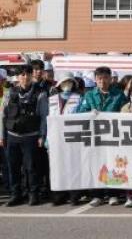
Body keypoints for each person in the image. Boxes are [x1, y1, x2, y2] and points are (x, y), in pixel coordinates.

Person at [77, 66, 128, 207]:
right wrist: (89, 113)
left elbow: (125, 112)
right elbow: (80, 112)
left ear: (111, 79)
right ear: (95, 80)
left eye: (105, 78)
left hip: (113, 135)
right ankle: (97, 195)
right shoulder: (89, 95)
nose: (102, 81)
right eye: (99, 79)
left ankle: (113, 194)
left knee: (113, 164)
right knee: (96, 165)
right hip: (95, 136)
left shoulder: (119, 95)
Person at [1, 64, 48, 206]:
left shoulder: (40, 93)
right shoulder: (10, 93)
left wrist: (42, 136)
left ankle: (33, 194)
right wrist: (2, 136)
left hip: (31, 136)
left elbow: (44, 117)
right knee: (13, 167)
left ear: (32, 75)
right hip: (12, 135)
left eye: (28, 74)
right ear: (18, 77)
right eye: (22, 74)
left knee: (31, 167)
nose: (25, 77)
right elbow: (3, 116)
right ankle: (16, 194)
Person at [42, 71, 83, 206]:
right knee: (56, 167)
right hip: (55, 138)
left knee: (73, 166)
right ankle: (58, 195)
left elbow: (83, 116)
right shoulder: (51, 99)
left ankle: (74, 195)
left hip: (73, 137)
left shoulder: (79, 98)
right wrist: (46, 137)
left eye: (69, 82)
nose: (67, 84)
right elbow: (47, 120)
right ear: (59, 84)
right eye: (64, 82)